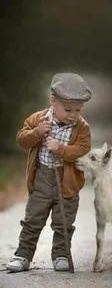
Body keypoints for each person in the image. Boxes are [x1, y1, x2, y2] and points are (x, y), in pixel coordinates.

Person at [6, 73, 92, 272]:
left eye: (78, 110)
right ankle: (23, 255)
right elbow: (21, 139)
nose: (73, 115)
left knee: (64, 221)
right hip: (42, 179)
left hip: (67, 182)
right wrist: (37, 133)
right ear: (53, 101)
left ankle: (61, 254)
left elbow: (82, 149)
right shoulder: (38, 119)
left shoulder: (82, 127)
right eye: (68, 109)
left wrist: (60, 149)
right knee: (33, 219)